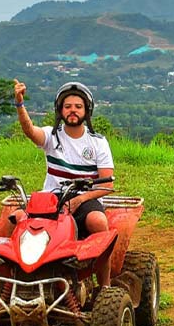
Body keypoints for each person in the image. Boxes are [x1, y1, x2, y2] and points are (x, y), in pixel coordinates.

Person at [7, 79, 114, 287]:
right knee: (13, 219)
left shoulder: (98, 142)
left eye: (78, 107)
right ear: (60, 110)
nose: (72, 111)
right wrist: (20, 104)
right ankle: (12, 283)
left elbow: (106, 185)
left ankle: (104, 286)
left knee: (99, 223)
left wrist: (81, 199)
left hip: (84, 199)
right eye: (67, 107)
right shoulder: (51, 135)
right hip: (51, 198)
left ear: (87, 110)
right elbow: (30, 131)